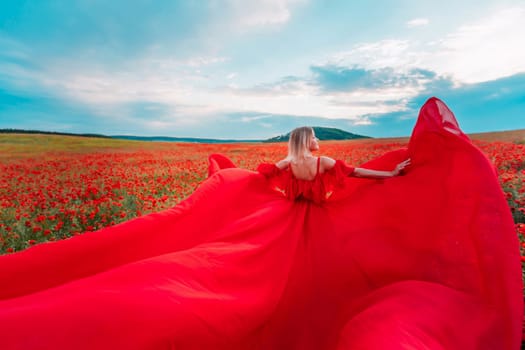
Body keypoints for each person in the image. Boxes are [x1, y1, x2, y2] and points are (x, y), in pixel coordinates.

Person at [0, 97, 522, 350]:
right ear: (314, 144)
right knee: (320, 286)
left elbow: (262, 177)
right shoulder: (324, 165)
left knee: (224, 274)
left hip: (281, 221)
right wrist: (398, 169)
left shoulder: (286, 165)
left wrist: (232, 182)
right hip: (323, 225)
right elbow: (360, 173)